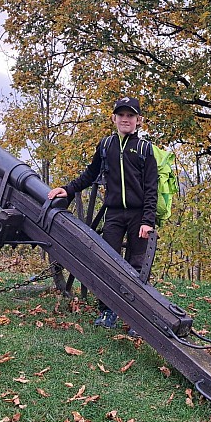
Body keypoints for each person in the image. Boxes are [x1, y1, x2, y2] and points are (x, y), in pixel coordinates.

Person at [47, 96, 158, 330]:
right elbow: (90, 174)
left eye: (130, 116)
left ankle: (138, 317)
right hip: (114, 214)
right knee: (108, 262)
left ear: (139, 120)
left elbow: (151, 188)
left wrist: (148, 221)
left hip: (139, 215)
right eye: (121, 115)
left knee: (137, 265)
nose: (125, 119)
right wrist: (67, 190)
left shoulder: (145, 149)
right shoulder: (106, 145)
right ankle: (107, 311)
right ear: (114, 118)